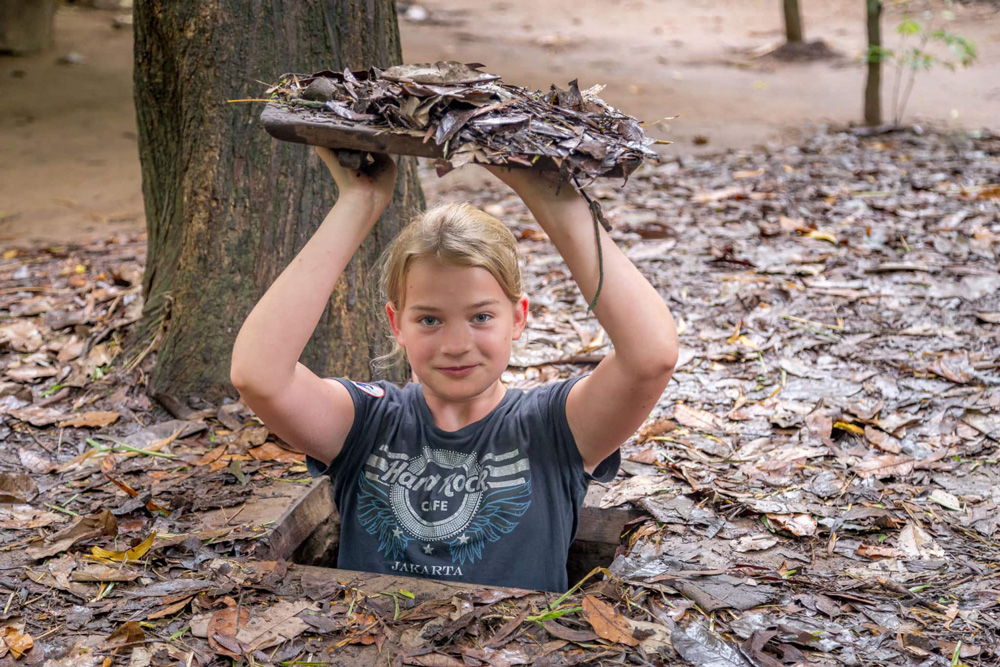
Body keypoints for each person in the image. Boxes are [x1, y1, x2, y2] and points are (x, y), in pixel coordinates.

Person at [230, 147, 678, 593]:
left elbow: (650, 357)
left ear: (518, 317)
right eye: (429, 319)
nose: (456, 345)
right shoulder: (366, 423)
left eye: (481, 316)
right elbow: (259, 375)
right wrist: (358, 203)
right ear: (396, 324)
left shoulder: (556, 427)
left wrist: (552, 200)